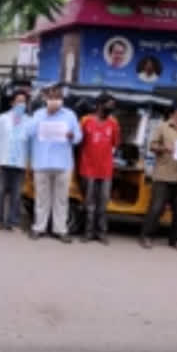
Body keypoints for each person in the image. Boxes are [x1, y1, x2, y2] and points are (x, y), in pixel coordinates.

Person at [28, 84, 82, 243]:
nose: (55, 100)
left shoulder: (70, 115)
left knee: (61, 199)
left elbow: (79, 137)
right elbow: (29, 133)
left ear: (62, 99)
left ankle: (60, 230)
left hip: (63, 163)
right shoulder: (38, 114)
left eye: (58, 98)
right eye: (51, 98)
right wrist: (43, 115)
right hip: (42, 162)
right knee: (42, 198)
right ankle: (39, 228)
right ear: (45, 99)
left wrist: (72, 136)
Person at [140, 100, 177, 250]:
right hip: (164, 174)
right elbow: (152, 146)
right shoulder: (163, 127)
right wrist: (165, 148)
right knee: (157, 208)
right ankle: (147, 237)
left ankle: (176, 241)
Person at [78, 93, 120, 244]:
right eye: (109, 104)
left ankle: (101, 233)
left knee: (103, 203)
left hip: (106, 170)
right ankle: (88, 233)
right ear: (99, 105)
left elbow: (115, 144)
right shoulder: (86, 121)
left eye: (113, 105)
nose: (111, 108)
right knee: (89, 204)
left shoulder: (114, 123)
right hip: (87, 168)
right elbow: (78, 142)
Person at [0, 90, 32, 231]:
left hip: (20, 162)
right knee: (0, 192)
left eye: (23, 101)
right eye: (18, 101)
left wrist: (28, 162)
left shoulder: (29, 121)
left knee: (17, 194)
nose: (21, 104)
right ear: (12, 103)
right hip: (3, 160)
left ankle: (13, 222)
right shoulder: (3, 118)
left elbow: (30, 144)